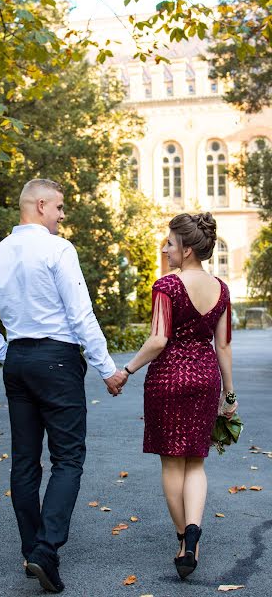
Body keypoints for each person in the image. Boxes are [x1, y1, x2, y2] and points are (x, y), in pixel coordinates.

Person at [0, 179, 125, 593]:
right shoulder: (58, 250)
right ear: (40, 205)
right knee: (68, 459)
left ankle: (33, 551)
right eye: (58, 207)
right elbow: (80, 315)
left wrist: (11, 357)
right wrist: (106, 368)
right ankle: (45, 549)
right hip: (57, 360)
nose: (61, 216)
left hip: (18, 360)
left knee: (24, 462)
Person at [120, 212, 237, 580]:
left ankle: (185, 540)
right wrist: (229, 395)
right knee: (196, 463)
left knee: (172, 464)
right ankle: (195, 530)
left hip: (169, 378)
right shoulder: (221, 288)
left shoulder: (166, 286)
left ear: (187, 250)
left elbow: (158, 340)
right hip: (204, 378)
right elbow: (223, 347)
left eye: (170, 243)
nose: (165, 248)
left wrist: (125, 371)